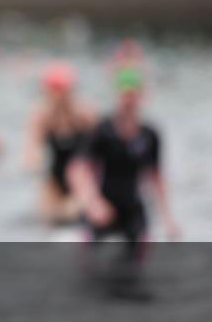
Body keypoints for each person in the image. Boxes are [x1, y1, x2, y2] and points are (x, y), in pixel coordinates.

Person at [67, 66, 179, 265]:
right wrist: (93, 203)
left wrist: (168, 218)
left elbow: (156, 177)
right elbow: (77, 170)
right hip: (104, 203)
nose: (129, 100)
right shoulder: (102, 130)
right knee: (85, 263)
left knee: (139, 262)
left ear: (142, 96)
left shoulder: (150, 134)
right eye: (125, 95)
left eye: (133, 95)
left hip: (132, 206)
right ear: (117, 95)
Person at [21, 62, 95, 225]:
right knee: (47, 215)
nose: (58, 96)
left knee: (79, 211)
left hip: (82, 178)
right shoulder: (42, 116)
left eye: (62, 90)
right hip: (55, 177)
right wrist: (33, 161)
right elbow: (31, 148)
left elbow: (101, 151)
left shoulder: (84, 114)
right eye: (54, 91)